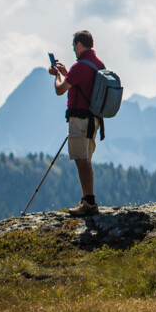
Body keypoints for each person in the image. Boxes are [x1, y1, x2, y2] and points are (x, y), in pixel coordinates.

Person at [49, 30, 104, 216]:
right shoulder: (97, 64)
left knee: (81, 160)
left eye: (74, 46)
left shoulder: (80, 66)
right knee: (86, 158)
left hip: (79, 120)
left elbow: (60, 90)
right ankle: (88, 199)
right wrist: (66, 72)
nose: (73, 50)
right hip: (93, 120)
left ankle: (88, 202)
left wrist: (57, 75)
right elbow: (82, 84)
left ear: (79, 44)